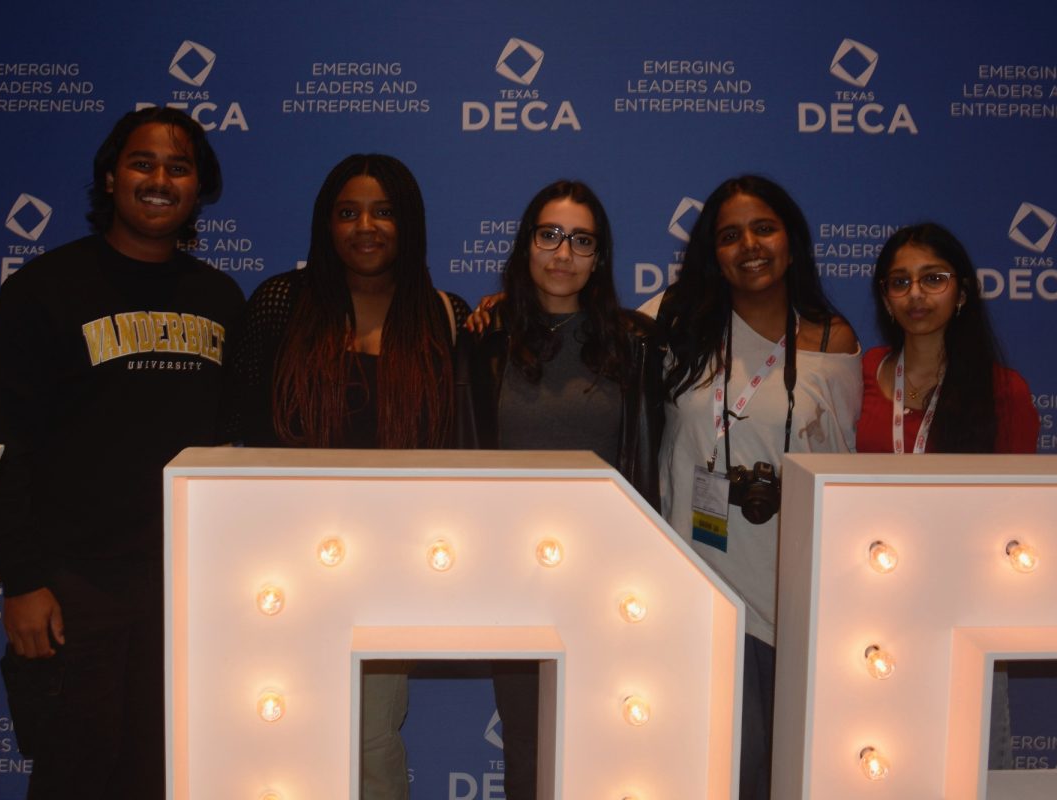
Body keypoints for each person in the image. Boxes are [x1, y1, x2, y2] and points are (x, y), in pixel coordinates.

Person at [0, 106, 245, 799]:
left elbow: (236, 445)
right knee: (73, 776)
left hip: (181, 589)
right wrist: (23, 579)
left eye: (178, 167)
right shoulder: (44, 290)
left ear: (198, 187)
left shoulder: (219, 297)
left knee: (167, 773)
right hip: (71, 588)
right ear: (111, 176)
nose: (159, 180)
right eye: (143, 163)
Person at [230, 153, 468, 800]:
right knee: (274, 734)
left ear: (409, 223)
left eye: (384, 211)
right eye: (348, 211)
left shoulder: (445, 317)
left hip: (390, 570)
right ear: (325, 225)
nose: (366, 225)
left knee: (369, 739)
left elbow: (463, 447)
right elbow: (242, 435)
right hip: (280, 569)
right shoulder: (281, 304)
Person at [652, 175, 860, 800]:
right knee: (720, 769)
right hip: (704, 582)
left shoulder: (832, 339)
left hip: (797, 588)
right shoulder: (673, 326)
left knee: (796, 771)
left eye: (763, 228)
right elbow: (580, 323)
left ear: (791, 241)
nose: (749, 244)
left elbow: (843, 465)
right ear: (712, 255)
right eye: (729, 235)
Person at [465, 179, 662, 799]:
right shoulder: (485, 338)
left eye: (581, 241)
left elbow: (647, 461)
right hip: (512, 574)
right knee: (526, 744)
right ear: (527, 245)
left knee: (604, 744)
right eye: (549, 235)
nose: (562, 253)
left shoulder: (634, 343)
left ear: (599, 258)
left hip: (606, 579)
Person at [856, 222, 1038, 454]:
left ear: (962, 293)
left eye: (933, 279)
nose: (915, 293)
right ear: (886, 300)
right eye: (900, 281)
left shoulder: (1005, 390)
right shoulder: (867, 370)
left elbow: (1017, 487)